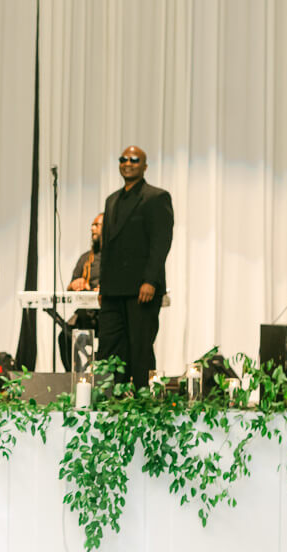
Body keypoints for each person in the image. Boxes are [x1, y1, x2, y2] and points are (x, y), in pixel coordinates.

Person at [97, 145, 173, 389]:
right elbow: (106, 248)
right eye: (123, 159)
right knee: (108, 346)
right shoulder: (112, 201)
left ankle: (142, 402)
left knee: (140, 348)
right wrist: (102, 286)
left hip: (142, 287)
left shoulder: (156, 197)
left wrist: (150, 280)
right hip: (113, 290)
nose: (127, 163)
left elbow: (160, 243)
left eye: (134, 159)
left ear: (144, 166)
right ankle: (110, 399)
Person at [58, 213, 103, 371]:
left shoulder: (114, 258)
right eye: (92, 225)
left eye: (97, 225)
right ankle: (73, 376)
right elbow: (70, 286)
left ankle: (104, 378)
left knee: (110, 339)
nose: (92, 228)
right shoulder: (86, 258)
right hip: (85, 315)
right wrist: (75, 284)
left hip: (107, 316)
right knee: (64, 336)